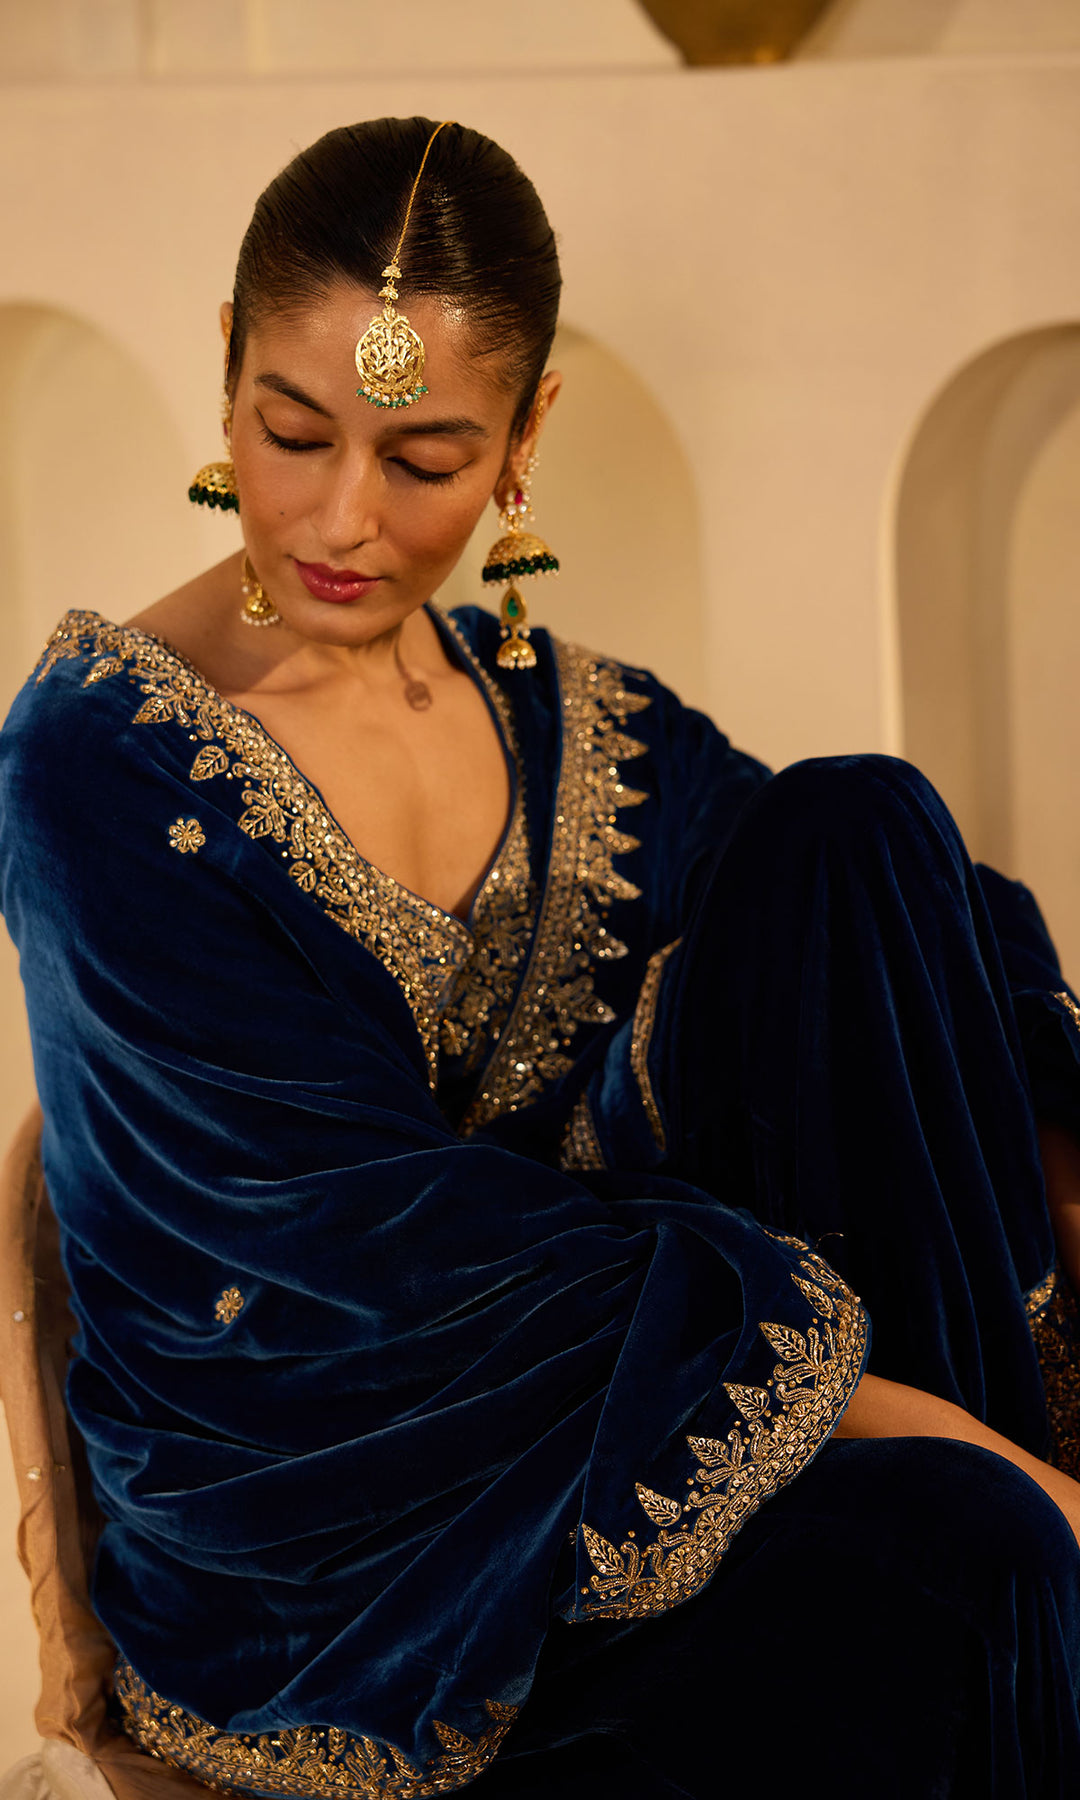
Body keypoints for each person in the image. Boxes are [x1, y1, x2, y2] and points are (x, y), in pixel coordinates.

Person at [2, 115, 1080, 1800]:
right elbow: (362, 1268)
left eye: (424, 460)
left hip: (616, 1417)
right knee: (977, 1543)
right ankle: (1022, 1485)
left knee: (855, 829)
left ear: (524, 438)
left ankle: (1023, 1474)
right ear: (226, 370)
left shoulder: (546, 712)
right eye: (294, 434)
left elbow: (899, 961)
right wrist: (945, 1435)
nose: (343, 518)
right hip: (341, 1527)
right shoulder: (105, 768)